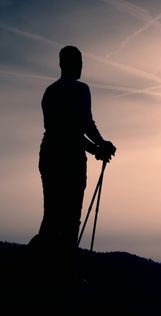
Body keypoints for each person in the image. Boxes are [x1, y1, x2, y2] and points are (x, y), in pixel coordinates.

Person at [29, 46, 116, 256]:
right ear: (71, 64)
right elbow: (84, 124)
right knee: (70, 218)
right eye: (79, 62)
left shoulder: (49, 93)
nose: (81, 66)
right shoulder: (80, 90)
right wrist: (100, 146)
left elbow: (62, 132)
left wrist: (96, 148)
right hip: (70, 160)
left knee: (51, 216)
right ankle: (64, 272)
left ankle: (40, 265)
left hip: (49, 155)